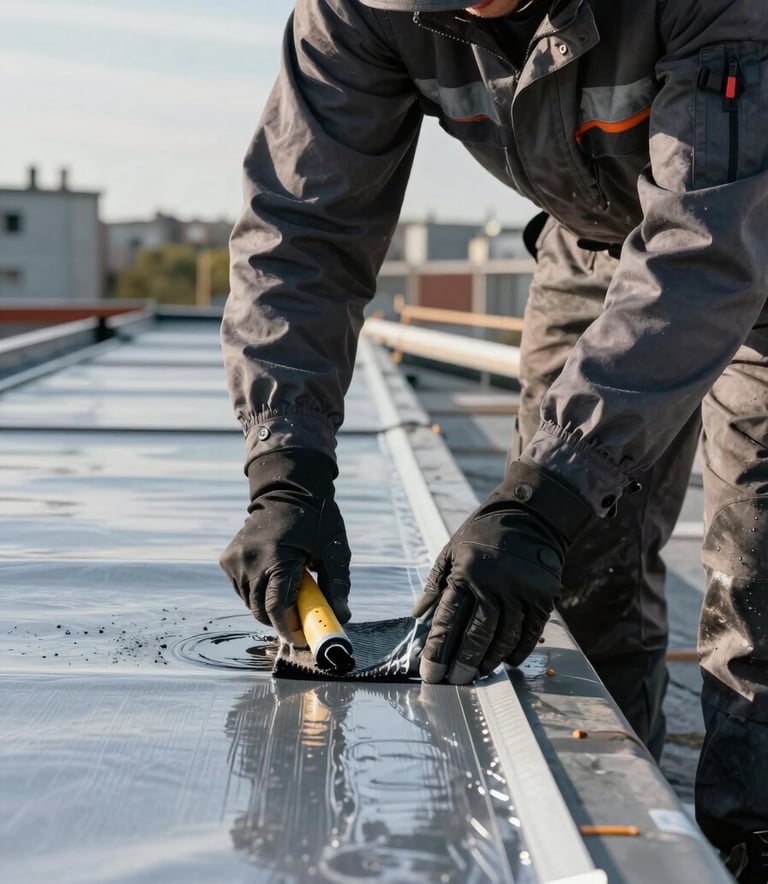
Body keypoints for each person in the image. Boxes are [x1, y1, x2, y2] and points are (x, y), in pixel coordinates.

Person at [218, 1, 768, 878]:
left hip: (744, 222)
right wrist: (286, 471)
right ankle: (615, 849)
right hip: (592, 248)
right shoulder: (357, 11)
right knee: (560, 580)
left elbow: (707, 247)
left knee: (758, 597)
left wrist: (543, 494)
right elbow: (304, 230)